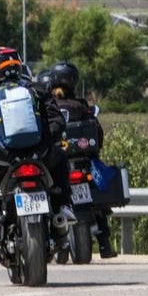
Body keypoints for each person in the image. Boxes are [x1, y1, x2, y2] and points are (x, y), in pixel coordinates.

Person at [0, 46, 76, 232]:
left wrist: (3, 153)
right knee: (61, 156)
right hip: (40, 157)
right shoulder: (37, 90)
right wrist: (41, 146)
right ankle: (64, 206)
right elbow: (57, 121)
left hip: (2, 162)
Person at [47, 61, 116, 257]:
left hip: (56, 161)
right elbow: (97, 133)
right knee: (97, 202)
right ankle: (105, 244)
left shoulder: (49, 106)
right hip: (83, 161)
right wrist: (95, 151)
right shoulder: (81, 105)